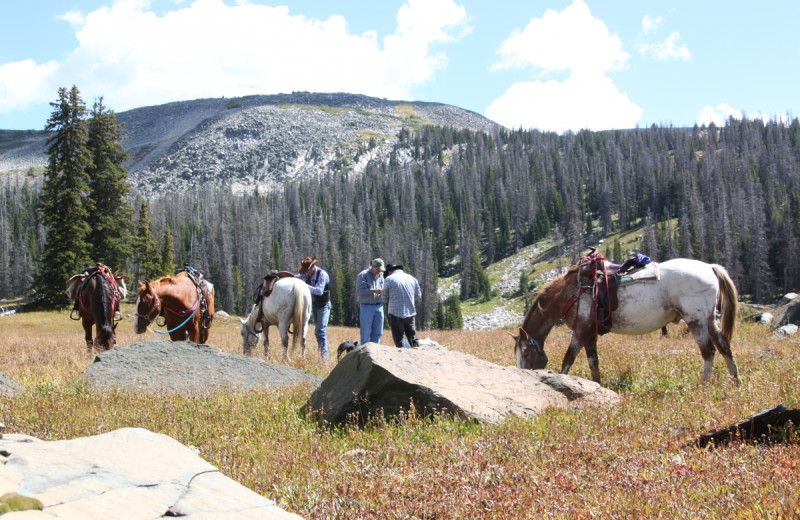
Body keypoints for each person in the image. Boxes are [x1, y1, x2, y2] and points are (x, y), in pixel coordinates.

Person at [295, 256, 331, 361]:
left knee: (320, 331)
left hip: (323, 306)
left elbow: (319, 291)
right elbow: (297, 276)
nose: (306, 273)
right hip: (314, 305)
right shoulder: (307, 274)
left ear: (313, 267)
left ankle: (324, 359)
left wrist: (303, 285)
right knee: (318, 332)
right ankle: (321, 356)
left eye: (307, 270)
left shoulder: (322, 274)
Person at [382, 263, 422, 349]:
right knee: (413, 338)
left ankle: (401, 358)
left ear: (389, 271)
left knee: (399, 339)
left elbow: (384, 298)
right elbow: (418, 296)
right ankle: (419, 356)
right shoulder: (412, 278)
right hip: (410, 311)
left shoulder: (389, 279)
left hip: (395, 312)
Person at [356, 258, 385, 345]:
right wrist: (374, 291)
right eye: (378, 269)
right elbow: (360, 290)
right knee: (365, 333)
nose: (379, 271)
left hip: (379, 305)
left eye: (381, 270)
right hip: (367, 306)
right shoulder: (363, 275)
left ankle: (375, 353)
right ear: (372, 267)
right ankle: (364, 354)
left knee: (378, 332)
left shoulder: (382, 275)